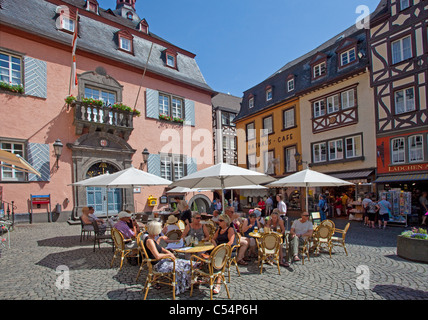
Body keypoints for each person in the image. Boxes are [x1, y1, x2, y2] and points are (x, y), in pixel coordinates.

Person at [144, 220, 192, 295]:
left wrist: (167, 251)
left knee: (184, 262)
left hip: (161, 262)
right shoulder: (149, 241)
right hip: (158, 265)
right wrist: (169, 255)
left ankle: (189, 280)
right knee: (183, 265)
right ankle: (185, 284)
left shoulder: (150, 238)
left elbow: (158, 248)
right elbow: (157, 256)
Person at [210, 213, 236, 294]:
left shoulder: (230, 229)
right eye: (219, 220)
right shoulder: (219, 229)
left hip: (227, 250)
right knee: (205, 255)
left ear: (226, 221)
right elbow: (213, 239)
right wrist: (216, 246)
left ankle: (218, 283)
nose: (219, 222)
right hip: (218, 249)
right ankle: (207, 275)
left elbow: (231, 242)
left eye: (221, 220)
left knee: (220, 260)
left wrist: (222, 249)